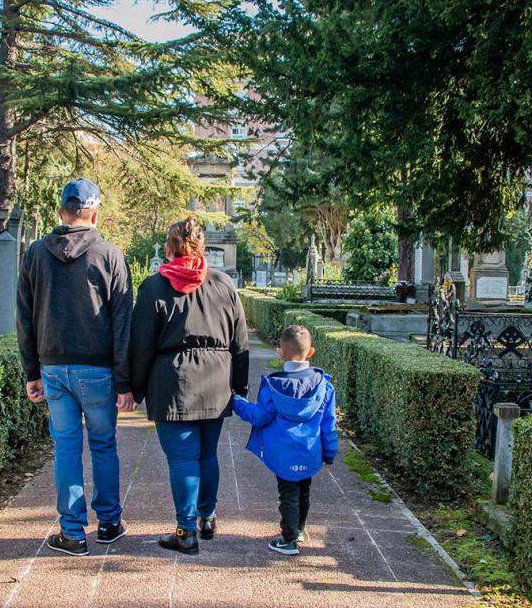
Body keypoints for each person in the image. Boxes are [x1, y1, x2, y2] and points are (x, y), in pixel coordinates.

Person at [17, 178, 136, 557]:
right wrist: (124, 380)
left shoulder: (35, 253)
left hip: (53, 366)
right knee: (103, 445)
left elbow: (24, 316)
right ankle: (109, 523)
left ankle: (72, 532)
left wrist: (31, 371)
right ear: (94, 213)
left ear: (61, 212)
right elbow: (122, 323)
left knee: (66, 448)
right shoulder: (110, 255)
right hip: (98, 369)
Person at [130, 217, 249, 555]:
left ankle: (186, 530)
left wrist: (135, 388)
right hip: (216, 379)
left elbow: (141, 345)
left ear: (169, 247)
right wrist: (238, 386)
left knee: (182, 458)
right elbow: (240, 342)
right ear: (202, 245)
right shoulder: (223, 284)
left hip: (173, 381)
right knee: (207, 454)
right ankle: (207, 517)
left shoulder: (154, 287)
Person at [231, 324, 338, 556]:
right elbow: (328, 424)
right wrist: (329, 452)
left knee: (288, 493)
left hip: (282, 452)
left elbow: (259, 417)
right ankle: (299, 530)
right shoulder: (324, 386)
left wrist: (237, 402)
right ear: (311, 352)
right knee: (304, 490)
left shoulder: (274, 386)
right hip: (310, 451)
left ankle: (288, 540)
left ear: (280, 352)